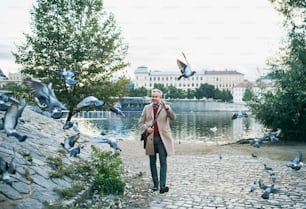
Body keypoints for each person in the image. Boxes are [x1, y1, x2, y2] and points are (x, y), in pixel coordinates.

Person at [138, 89, 176, 193]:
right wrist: (146, 128)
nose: (154, 98)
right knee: (152, 163)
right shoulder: (147, 108)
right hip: (151, 139)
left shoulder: (166, 107)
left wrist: (167, 109)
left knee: (163, 162)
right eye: (153, 96)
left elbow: (173, 117)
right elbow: (140, 123)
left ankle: (163, 186)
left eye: (156, 96)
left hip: (163, 140)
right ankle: (155, 185)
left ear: (160, 98)